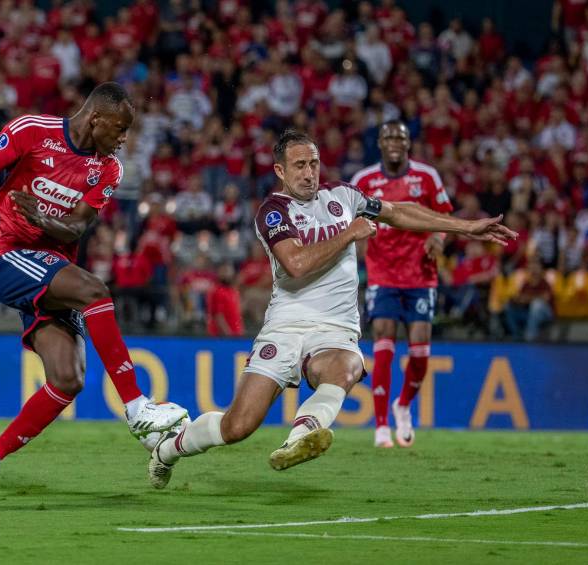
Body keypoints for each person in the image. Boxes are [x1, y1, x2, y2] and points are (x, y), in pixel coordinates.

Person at [148, 130, 516, 488]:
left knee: (349, 365)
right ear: (280, 171)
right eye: (299, 166)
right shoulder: (274, 212)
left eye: (314, 163)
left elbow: (398, 212)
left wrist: (465, 227)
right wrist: (349, 234)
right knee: (237, 426)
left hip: (336, 328)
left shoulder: (342, 195)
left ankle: (300, 438)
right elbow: (296, 263)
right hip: (286, 326)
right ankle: (166, 450)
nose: (309, 173)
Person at [0, 82, 187, 503]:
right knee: (95, 289)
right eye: (119, 130)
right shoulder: (31, 129)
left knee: (68, 380)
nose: (123, 140)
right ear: (95, 118)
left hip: (53, 269)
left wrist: (43, 219)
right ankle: (136, 406)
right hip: (11, 256)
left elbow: (77, 227)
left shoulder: (108, 169)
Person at [350, 120, 453, 449]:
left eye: (401, 137)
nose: (395, 141)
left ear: (409, 144)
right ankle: (380, 425)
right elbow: (348, 221)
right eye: (389, 136)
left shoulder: (426, 176)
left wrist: (437, 238)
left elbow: (445, 217)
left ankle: (403, 405)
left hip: (420, 274)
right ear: (379, 143)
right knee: (383, 340)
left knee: (421, 349)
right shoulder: (363, 180)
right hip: (382, 273)